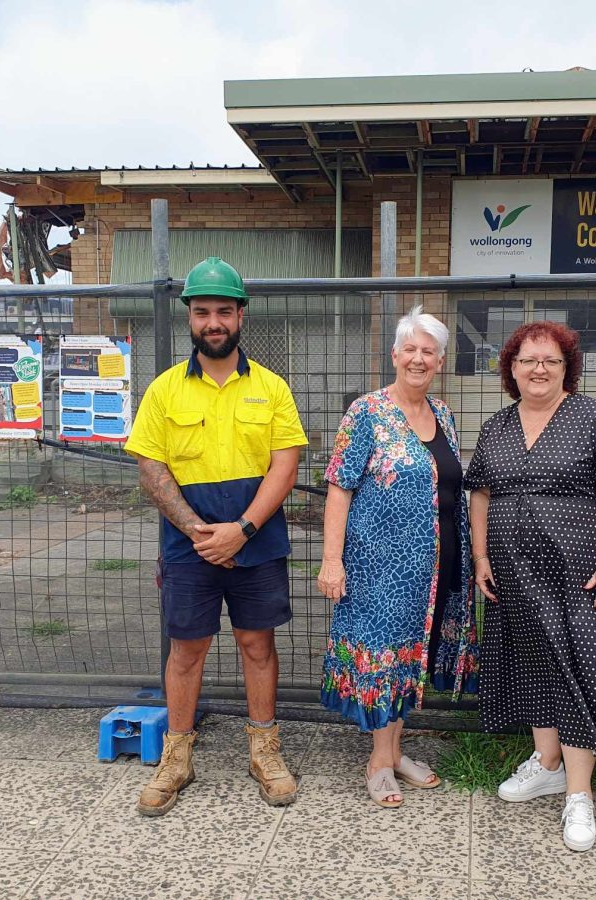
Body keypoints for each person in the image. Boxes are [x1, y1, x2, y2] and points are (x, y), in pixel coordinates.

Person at [465, 320, 596, 852]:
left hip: (580, 573)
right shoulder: (496, 427)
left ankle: (579, 794)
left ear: (568, 368)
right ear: (511, 369)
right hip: (515, 574)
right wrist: (480, 556)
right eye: (527, 361)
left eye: (551, 361)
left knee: (579, 673)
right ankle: (547, 764)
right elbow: (480, 496)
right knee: (536, 667)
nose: (538, 369)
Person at [125, 256, 308, 817]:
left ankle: (265, 750)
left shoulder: (272, 388)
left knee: (258, 645)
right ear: (189, 318)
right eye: (202, 311)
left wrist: (243, 529)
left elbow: (286, 464)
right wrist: (199, 532)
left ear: (241, 316)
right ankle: (177, 757)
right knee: (187, 650)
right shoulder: (163, 391)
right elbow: (151, 467)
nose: (213, 322)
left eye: (223, 311)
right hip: (189, 546)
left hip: (257, 541)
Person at [317, 306, 478, 808]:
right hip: (379, 568)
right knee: (386, 661)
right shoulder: (366, 413)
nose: (418, 358)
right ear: (394, 354)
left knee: (411, 660)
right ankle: (380, 762)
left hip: (437, 565)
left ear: (440, 361)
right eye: (409, 348)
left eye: (428, 351)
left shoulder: (444, 414)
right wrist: (331, 559)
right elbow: (339, 488)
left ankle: (395, 751)